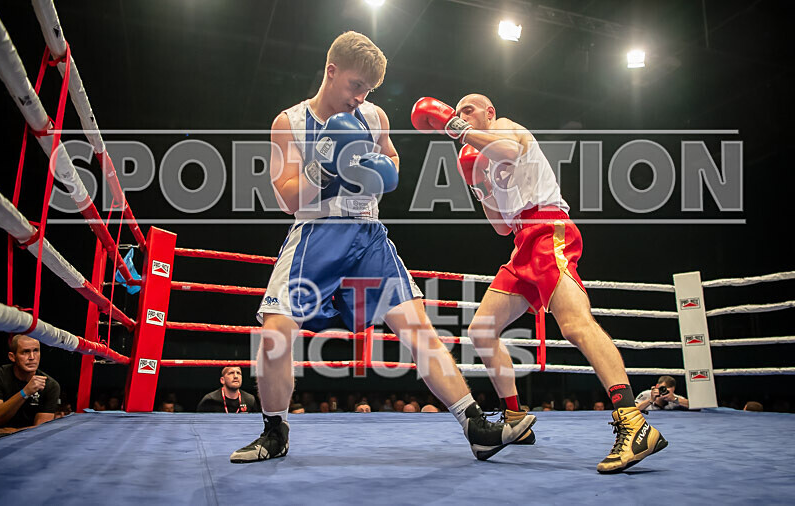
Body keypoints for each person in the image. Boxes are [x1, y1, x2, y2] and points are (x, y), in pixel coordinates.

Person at [230, 31, 534, 464]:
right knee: (276, 334)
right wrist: (329, 166)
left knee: (419, 329)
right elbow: (286, 198)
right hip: (316, 233)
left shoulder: (373, 116)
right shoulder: (290, 123)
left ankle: (475, 426)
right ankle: (274, 431)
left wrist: (384, 170)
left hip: (368, 234)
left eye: (368, 90)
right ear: (331, 71)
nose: (360, 97)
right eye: (356, 85)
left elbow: (391, 159)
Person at [410, 94, 668, 473]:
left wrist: (458, 128)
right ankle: (515, 418)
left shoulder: (504, 127)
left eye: (469, 109)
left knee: (576, 325)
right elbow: (500, 226)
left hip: (548, 230)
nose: (462, 115)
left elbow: (510, 151)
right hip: (521, 242)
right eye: (458, 111)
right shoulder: (479, 155)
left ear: (488, 112)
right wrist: (479, 185)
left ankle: (634, 423)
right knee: (482, 331)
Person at [0, 335, 60, 429]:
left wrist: (9, 432)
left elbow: (40, 430)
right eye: (25, 352)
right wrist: (25, 392)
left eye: (36, 350)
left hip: (29, 441)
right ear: (12, 357)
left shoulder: (50, 385)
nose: (32, 357)